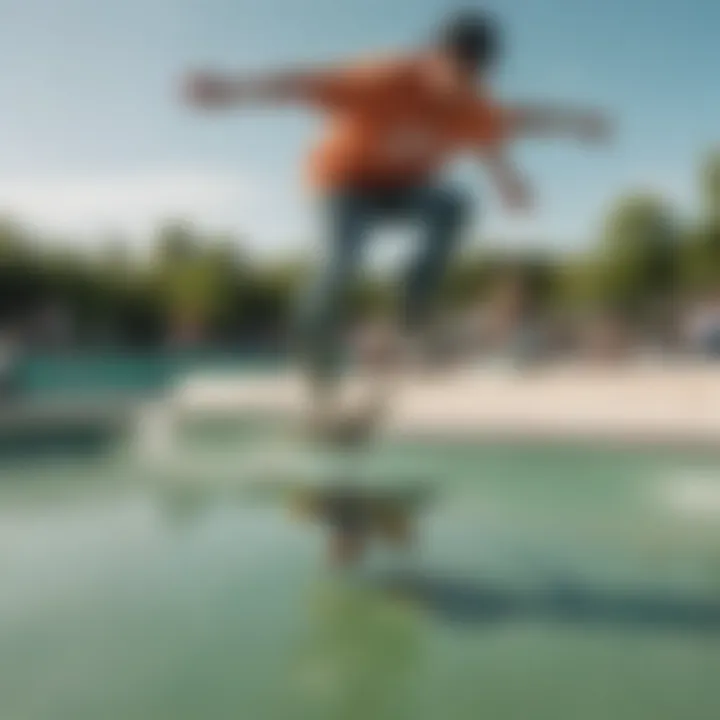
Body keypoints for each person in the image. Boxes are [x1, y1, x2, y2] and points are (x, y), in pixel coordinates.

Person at [184, 9, 611, 433]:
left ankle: (411, 307)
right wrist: (232, 90)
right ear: (433, 55)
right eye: (452, 74)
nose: (457, 88)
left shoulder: (469, 103)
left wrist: (543, 153)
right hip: (341, 184)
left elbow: (505, 128)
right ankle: (318, 376)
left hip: (403, 191)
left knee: (455, 205)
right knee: (341, 264)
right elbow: (301, 84)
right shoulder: (381, 78)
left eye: (470, 79)